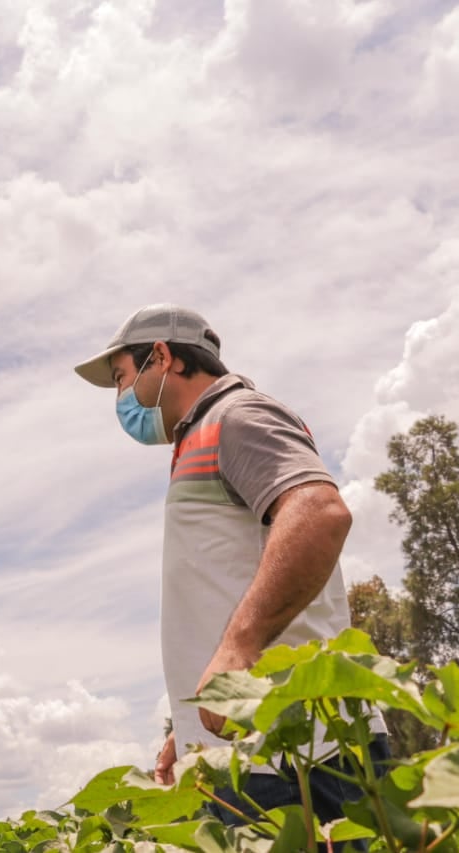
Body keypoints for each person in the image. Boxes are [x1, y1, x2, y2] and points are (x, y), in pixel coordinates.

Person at [74, 304, 388, 831]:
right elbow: (220, 586)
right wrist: (189, 719)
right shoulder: (198, 437)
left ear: (163, 356)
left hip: (300, 751)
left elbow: (318, 512)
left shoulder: (237, 415)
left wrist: (240, 647)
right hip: (248, 754)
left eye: (122, 378)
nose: (121, 398)